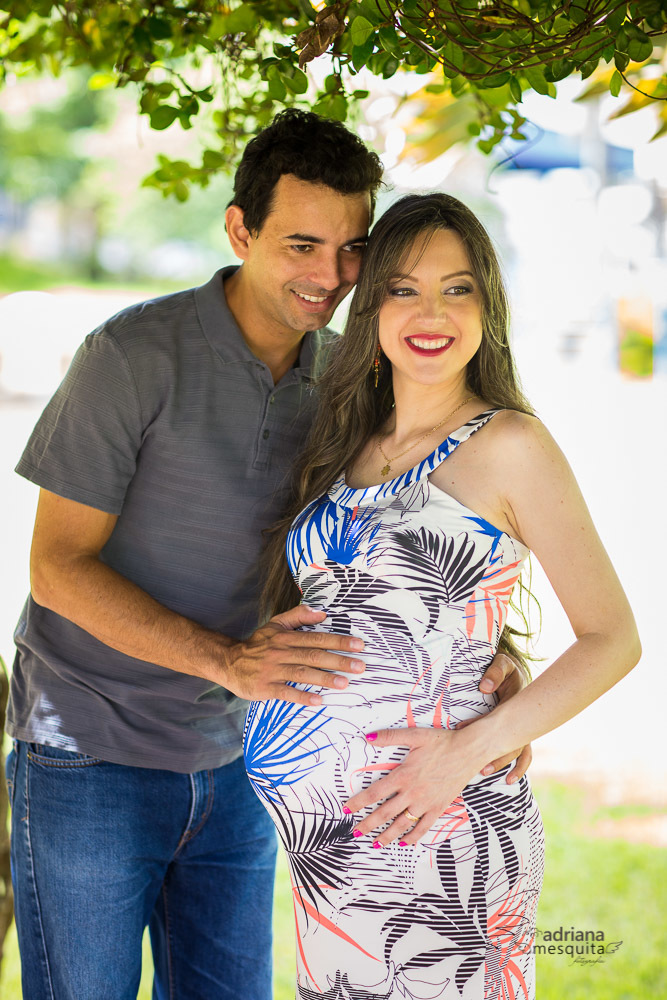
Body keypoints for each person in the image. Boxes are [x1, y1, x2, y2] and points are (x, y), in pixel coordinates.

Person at [3, 113, 525, 1000]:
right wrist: (226, 661)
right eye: (300, 245)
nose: (328, 276)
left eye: (351, 249)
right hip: (89, 752)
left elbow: (401, 538)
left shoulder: (352, 380)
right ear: (240, 231)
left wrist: (493, 668)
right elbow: (57, 568)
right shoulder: (131, 355)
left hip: (245, 760)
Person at [246, 192, 641, 999]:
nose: (431, 313)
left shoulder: (510, 444)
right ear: (372, 307)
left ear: (486, 307)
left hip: (438, 833)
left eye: (456, 289)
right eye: (403, 289)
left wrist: (469, 750)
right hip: (330, 856)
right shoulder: (349, 442)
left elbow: (613, 638)